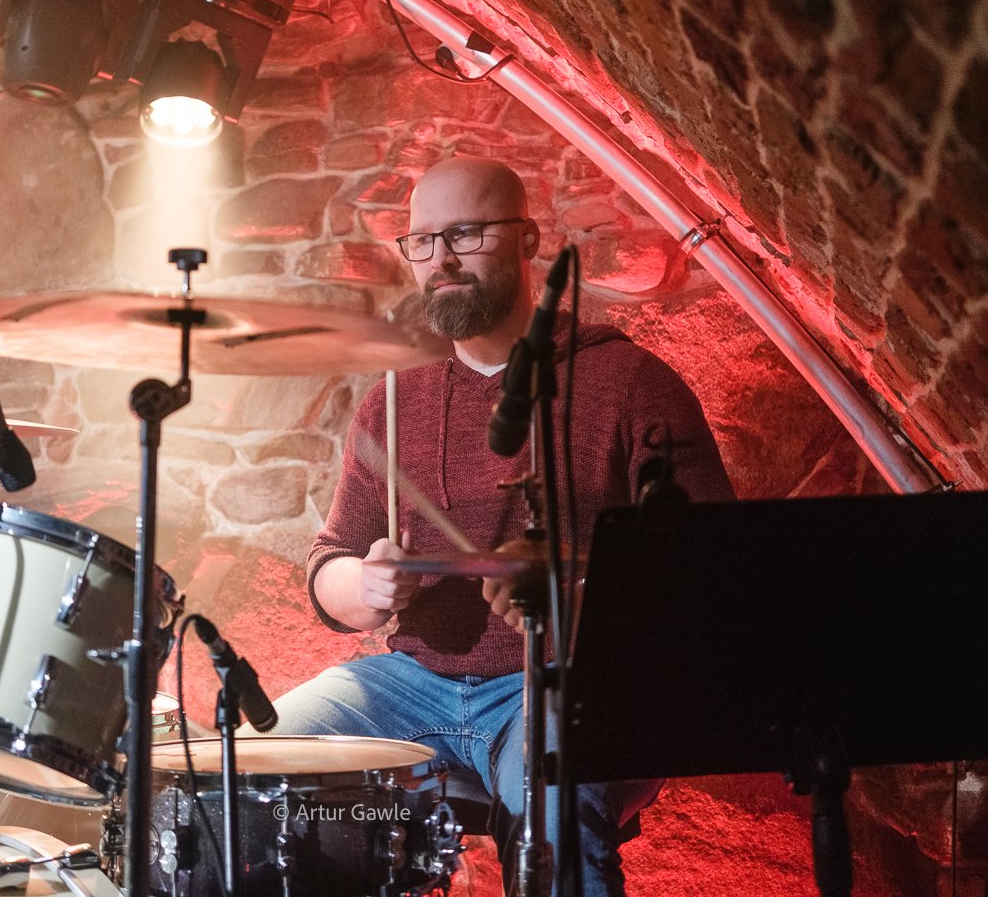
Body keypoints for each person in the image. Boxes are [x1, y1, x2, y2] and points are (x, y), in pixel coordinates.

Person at [269, 155, 735, 896]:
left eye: (466, 234)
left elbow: (714, 573)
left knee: (555, 799)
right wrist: (364, 584)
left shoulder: (630, 384)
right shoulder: (393, 399)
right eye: (423, 241)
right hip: (411, 684)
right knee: (251, 763)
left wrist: (573, 597)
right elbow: (331, 562)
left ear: (527, 239)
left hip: (568, 683)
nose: (442, 259)